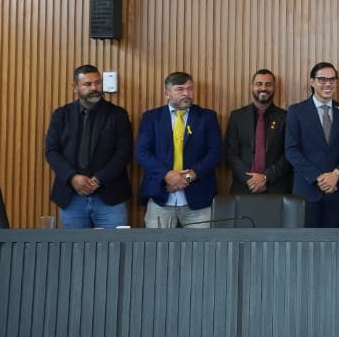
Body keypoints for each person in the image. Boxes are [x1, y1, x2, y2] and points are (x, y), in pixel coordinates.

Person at [44, 64, 134, 228]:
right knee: (75, 251)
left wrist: (98, 179)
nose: (94, 88)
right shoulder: (61, 115)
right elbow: (51, 151)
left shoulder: (117, 115)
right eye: (88, 84)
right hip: (71, 195)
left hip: (109, 195)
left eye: (97, 83)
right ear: (75, 87)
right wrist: (73, 177)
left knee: (114, 249)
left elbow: (124, 153)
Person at [136, 71, 223, 228]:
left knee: (201, 251)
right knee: (158, 251)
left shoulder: (207, 117)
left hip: (198, 200)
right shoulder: (151, 117)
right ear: (166, 93)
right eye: (180, 89)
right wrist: (167, 175)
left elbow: (215, 153)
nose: (186, 94)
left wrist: (188, 177)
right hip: (160, 198)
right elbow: (142, 153)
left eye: (190, 89)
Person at [285, 62, 339, 229]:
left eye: (332, 80)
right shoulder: (296, 111)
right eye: (322, 79)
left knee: (332, 246)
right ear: (312, 82)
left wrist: (336, 174)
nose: (328, 84)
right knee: (306, 246)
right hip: (307, 190)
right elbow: (291, 150)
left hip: (335, 191)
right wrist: (318, 177)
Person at [224, 68, 292, 195]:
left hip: (276, 187)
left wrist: (266, 177)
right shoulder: (237, 116)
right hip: (243, 188)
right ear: (252, 87)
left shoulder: (286, 117)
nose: (263, 88)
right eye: (259, 84)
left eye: (268, 84)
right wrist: (251, 180)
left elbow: (289, 154)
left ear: (274, 88)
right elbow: (230, 153)